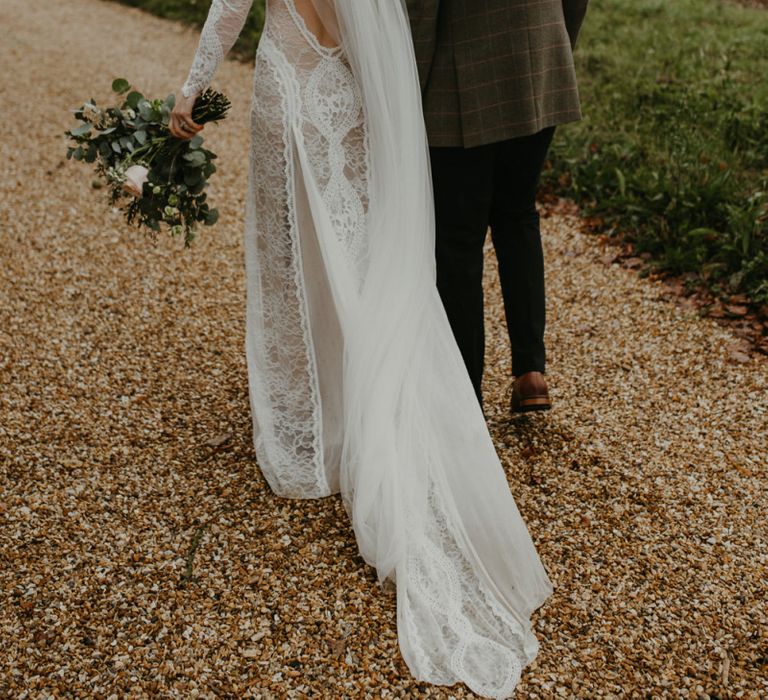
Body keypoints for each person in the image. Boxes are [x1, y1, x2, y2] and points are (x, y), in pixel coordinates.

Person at [171, 1, 552, 696]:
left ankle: (310, 429)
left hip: (289, 80)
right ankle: (368, 401)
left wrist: (192, 87)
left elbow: (231, 5)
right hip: (352, 85)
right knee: (360, 252)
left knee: (291, 254)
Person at [407, 0, 589, 412]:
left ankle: (463, 397)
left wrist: (405, 95)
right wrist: (556, 45)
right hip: (539, 60)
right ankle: (530, 372)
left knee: (458, 242)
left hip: (463, 76)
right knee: (517, 213)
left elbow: (421, 10)